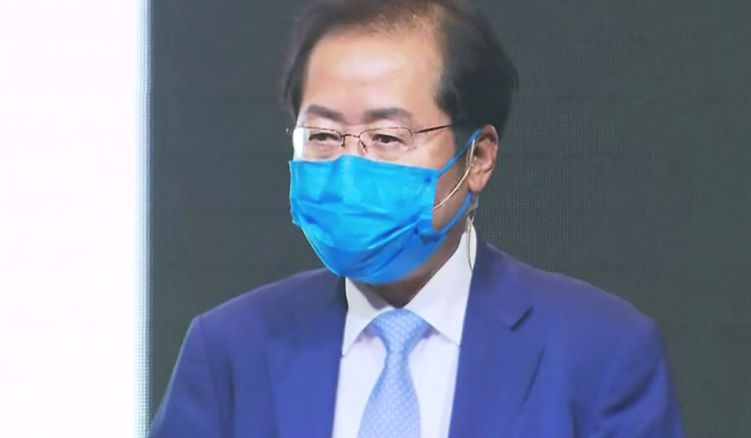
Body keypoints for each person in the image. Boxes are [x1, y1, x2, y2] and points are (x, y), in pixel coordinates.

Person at [149, 0, 685, 436]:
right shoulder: (228, 351)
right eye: (323, 135)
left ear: (478, 157)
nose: (349, 168)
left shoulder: (600, 353)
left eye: (387, 137)